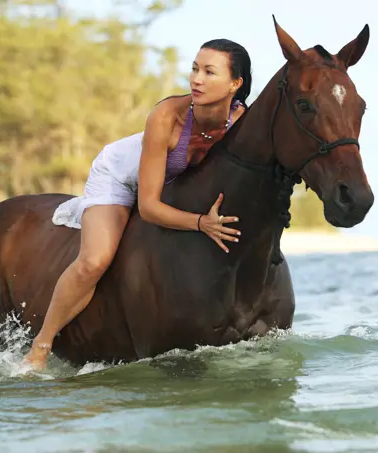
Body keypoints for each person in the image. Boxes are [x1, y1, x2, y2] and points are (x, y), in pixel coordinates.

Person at [22, 39, 253, 371]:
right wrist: (201, 223)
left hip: (172, 186)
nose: (196, 79)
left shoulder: (242, 122)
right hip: (120, 179)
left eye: (208, 72)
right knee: (94, 261)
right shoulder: (166, 116)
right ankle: (40, 348)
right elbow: (148, 206)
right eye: (194, 69)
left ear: (235, 84)